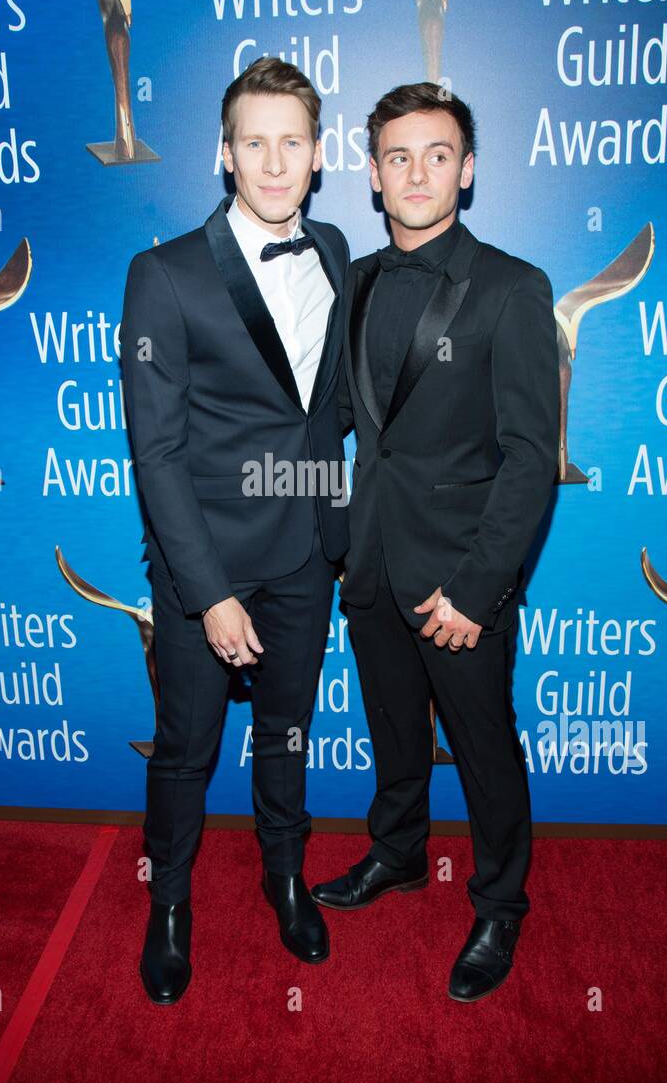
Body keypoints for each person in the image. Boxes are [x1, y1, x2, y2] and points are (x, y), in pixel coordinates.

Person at [312, 83, 559, 1002]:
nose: (419, 173)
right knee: (392, 735)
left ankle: (500, 905)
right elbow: (341, 422)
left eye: (439, 154)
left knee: (487, 750)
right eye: (399, 157)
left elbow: (533, 459)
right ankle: (400, 855)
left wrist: (479, 588)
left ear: (468, 168)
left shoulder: (513, 287)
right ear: (373, 175)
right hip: (370, 561)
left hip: (461, 578)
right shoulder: (361, 282)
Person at [120, 57, 350, 1004]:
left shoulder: (335, 250)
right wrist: (210, 590)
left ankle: (283, 874)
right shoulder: (163, 275)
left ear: (319, 154)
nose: (272, 161)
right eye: (253, 142)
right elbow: (157, 453)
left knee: (288, 733)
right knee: (186, 747)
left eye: (291, 141)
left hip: (304, 552)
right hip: (203, 565)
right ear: (224, 154)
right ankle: (167, 904)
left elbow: (325, 411)